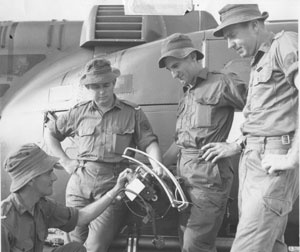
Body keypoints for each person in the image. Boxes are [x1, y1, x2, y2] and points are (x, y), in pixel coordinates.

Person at [201, 4, 299, 252]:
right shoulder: (259, 61)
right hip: (253, 159)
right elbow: (266, 114)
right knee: (271, 244)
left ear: (255, 25)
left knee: (248, 246)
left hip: (271, 160)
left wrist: (293, 156)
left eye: (232, 35)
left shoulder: (284, 43)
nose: (229, 44)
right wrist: (237, 144)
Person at [44, 58, 163, 252]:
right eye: (95, 86)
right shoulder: (78, 112)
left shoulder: (132, 112)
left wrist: (156, 165)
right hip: (78, 187)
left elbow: (149, 143)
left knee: (95, 247)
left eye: (106, 85)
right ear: (88, 88)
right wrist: (65, 161)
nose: (101, 91)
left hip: (112, 188)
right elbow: (50, 133)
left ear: (114, 84)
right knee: (72, 246)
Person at [159, 33, 247, 252]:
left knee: (195, 245)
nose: (173, 74)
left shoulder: (222, 82)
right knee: (186, 243)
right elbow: (180, 142)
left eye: (175, 66)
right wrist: (158, 168)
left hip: (208, 180)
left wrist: (237, 144)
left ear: (192, 57)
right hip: (183, 180)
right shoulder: (187, 94)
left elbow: (263, 112)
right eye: (169, 69)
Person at [1, 143, 133, 252]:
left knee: (75, 249)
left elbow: (81, 217)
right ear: (30, 179)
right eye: (48, 173)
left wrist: (115, 189)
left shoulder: (42, 206)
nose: (54, 178)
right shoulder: (4, 222)